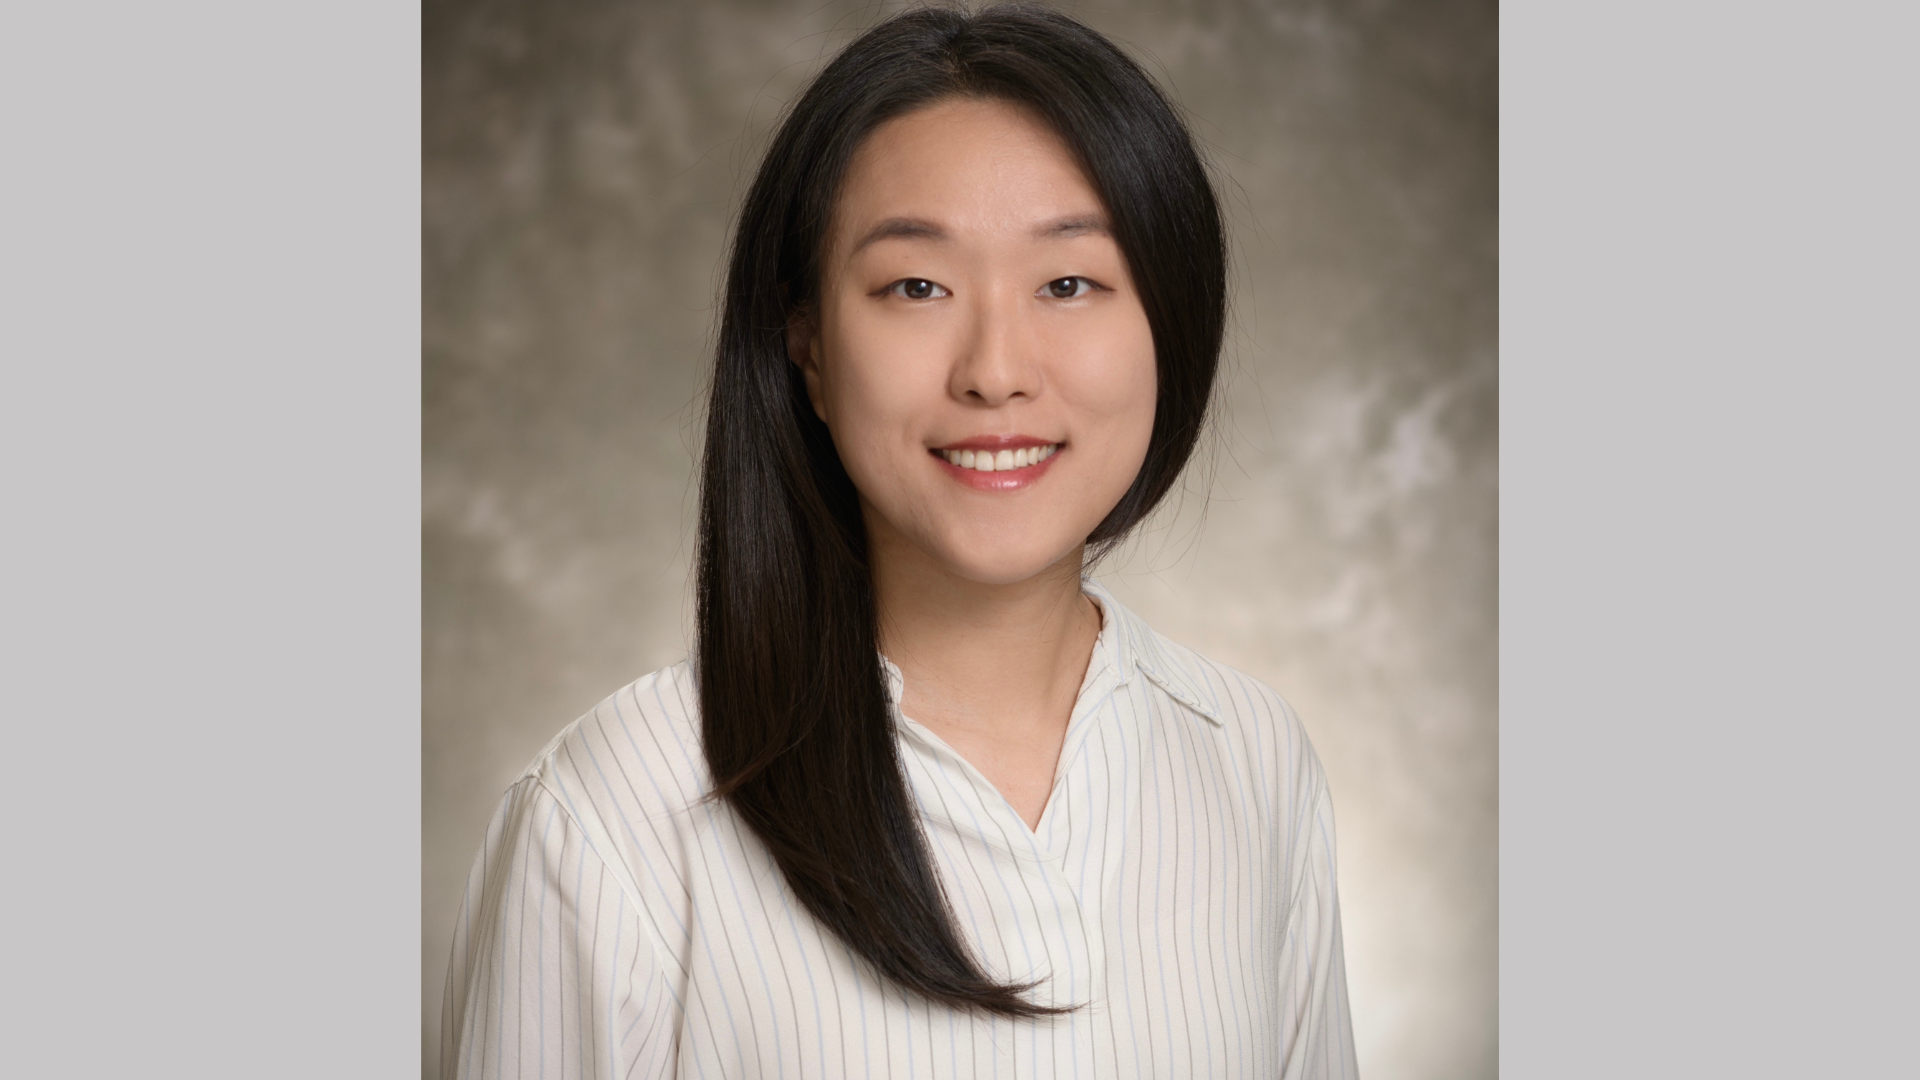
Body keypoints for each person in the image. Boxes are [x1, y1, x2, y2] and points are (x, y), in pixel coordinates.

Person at [440, 5, 1356, 1077]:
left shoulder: (1251, 759)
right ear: (809, 349)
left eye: (1069, 282)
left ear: (1171, 323)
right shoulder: (614, 815)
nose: (997, 369)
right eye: (916, 287)